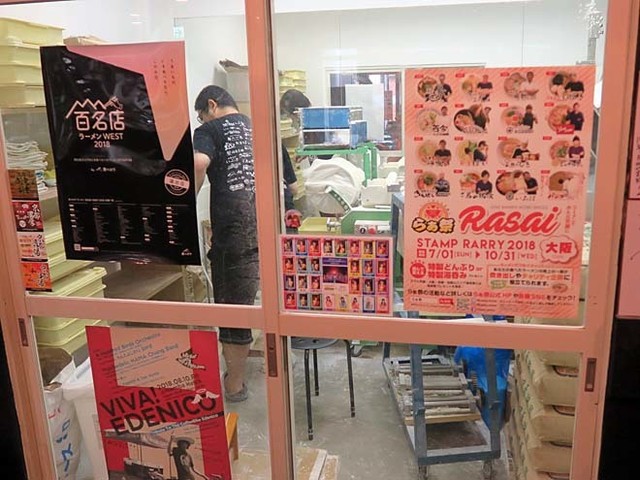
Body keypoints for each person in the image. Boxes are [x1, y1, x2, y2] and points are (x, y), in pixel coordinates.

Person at [193, 85, 258, 403]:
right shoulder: (257, 127)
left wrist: (185, 201)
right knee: (250, 300)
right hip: (265, 225)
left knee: (233, 309)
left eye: (201, 115)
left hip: (234, 230)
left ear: (212, 105)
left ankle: (234, 384)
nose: (202, 120)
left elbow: (198, 163)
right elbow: (288, 180)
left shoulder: (210, 129)